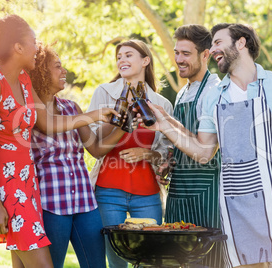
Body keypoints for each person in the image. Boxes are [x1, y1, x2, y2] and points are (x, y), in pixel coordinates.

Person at [143, 23, 272, 268]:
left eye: (218, 42)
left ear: (241, 43)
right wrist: (164, 125)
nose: (212, 50)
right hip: (234, 205)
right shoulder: (215, 96)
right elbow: (204, 152)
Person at [0, 15, 118, 268]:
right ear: (18, 47)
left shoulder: (24, 82)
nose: (37, 48)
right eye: (33, 41)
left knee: (22, 264)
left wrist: (95, 115)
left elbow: (48, 123)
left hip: (28, 182)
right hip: (6, 185)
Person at [86, 39, 173, 268]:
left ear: (145, 60)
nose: (121, 60)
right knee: (116, 258)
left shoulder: (161, 104)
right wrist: (120, 121)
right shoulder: (104, 92)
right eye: (119, 57)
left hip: (148, 193)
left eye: (128, 55)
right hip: (108, 190)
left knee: (150, 258)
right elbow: (91, 138)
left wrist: (147, 154)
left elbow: (166, 151)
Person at [29, 43, 107, 268]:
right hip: (50, 204)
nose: (64, 72)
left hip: (85, 203)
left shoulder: (72, 108)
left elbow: (96, 149)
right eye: (57, 67)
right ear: (42, 72)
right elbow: (49, 125)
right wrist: (97, 115)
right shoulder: (30, 110)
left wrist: (124, 123)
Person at [154, 24, 224, 268]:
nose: (178, 60)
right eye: (177, 52)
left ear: (205, 55)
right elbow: (186, 138)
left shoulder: (214, 90)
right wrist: (170, 162)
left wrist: (165, 126)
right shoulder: (183, 91)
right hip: (178, 191)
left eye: (186, 54)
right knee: (173, 260)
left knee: (205, 262)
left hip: (206, 193)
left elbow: (206, 148)